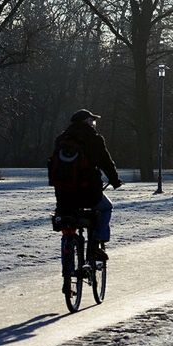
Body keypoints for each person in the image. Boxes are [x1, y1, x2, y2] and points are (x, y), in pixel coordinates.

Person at [50, 108, 124, 262]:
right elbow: (106, 163)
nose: (93, 123)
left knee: (67, 216)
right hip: (88, 193)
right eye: (92, 120)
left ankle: (68, 257)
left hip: (64, 194)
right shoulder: (94, 138)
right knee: (106, 208)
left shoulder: (61, 139)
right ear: (86, 121)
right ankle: (96, 244)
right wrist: (115, 180)